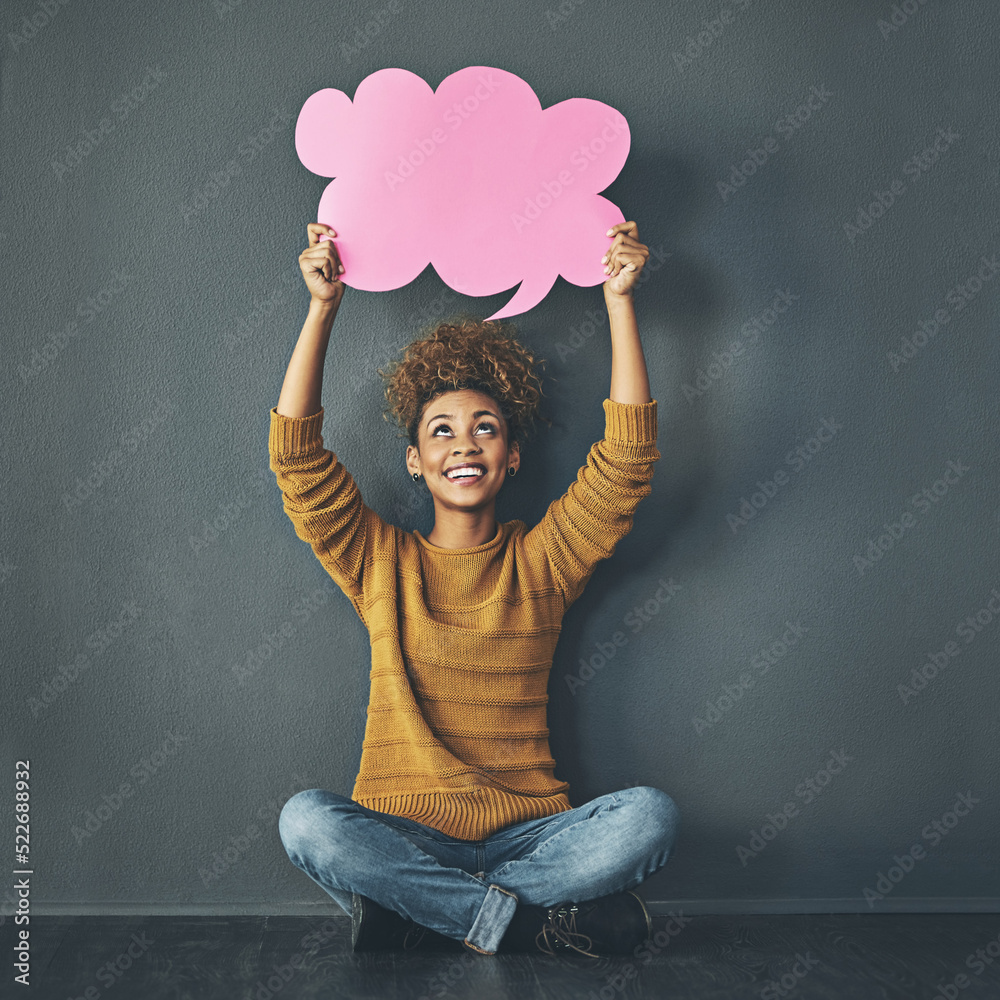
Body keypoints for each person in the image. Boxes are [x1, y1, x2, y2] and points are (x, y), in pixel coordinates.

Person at [272, 220, 679, 957]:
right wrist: (321, 309)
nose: (464, 443)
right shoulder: (377, 561)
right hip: (401, 835)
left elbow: (626, 461)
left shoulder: (544, 562)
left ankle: (432, 918)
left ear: (512, 456)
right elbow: (297, 464)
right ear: (416, 463)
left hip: (531, 837)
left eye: (485, 428)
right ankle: (514, 923)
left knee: (649, 816)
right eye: (442, 432)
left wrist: (620, 302)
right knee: (306, 820)